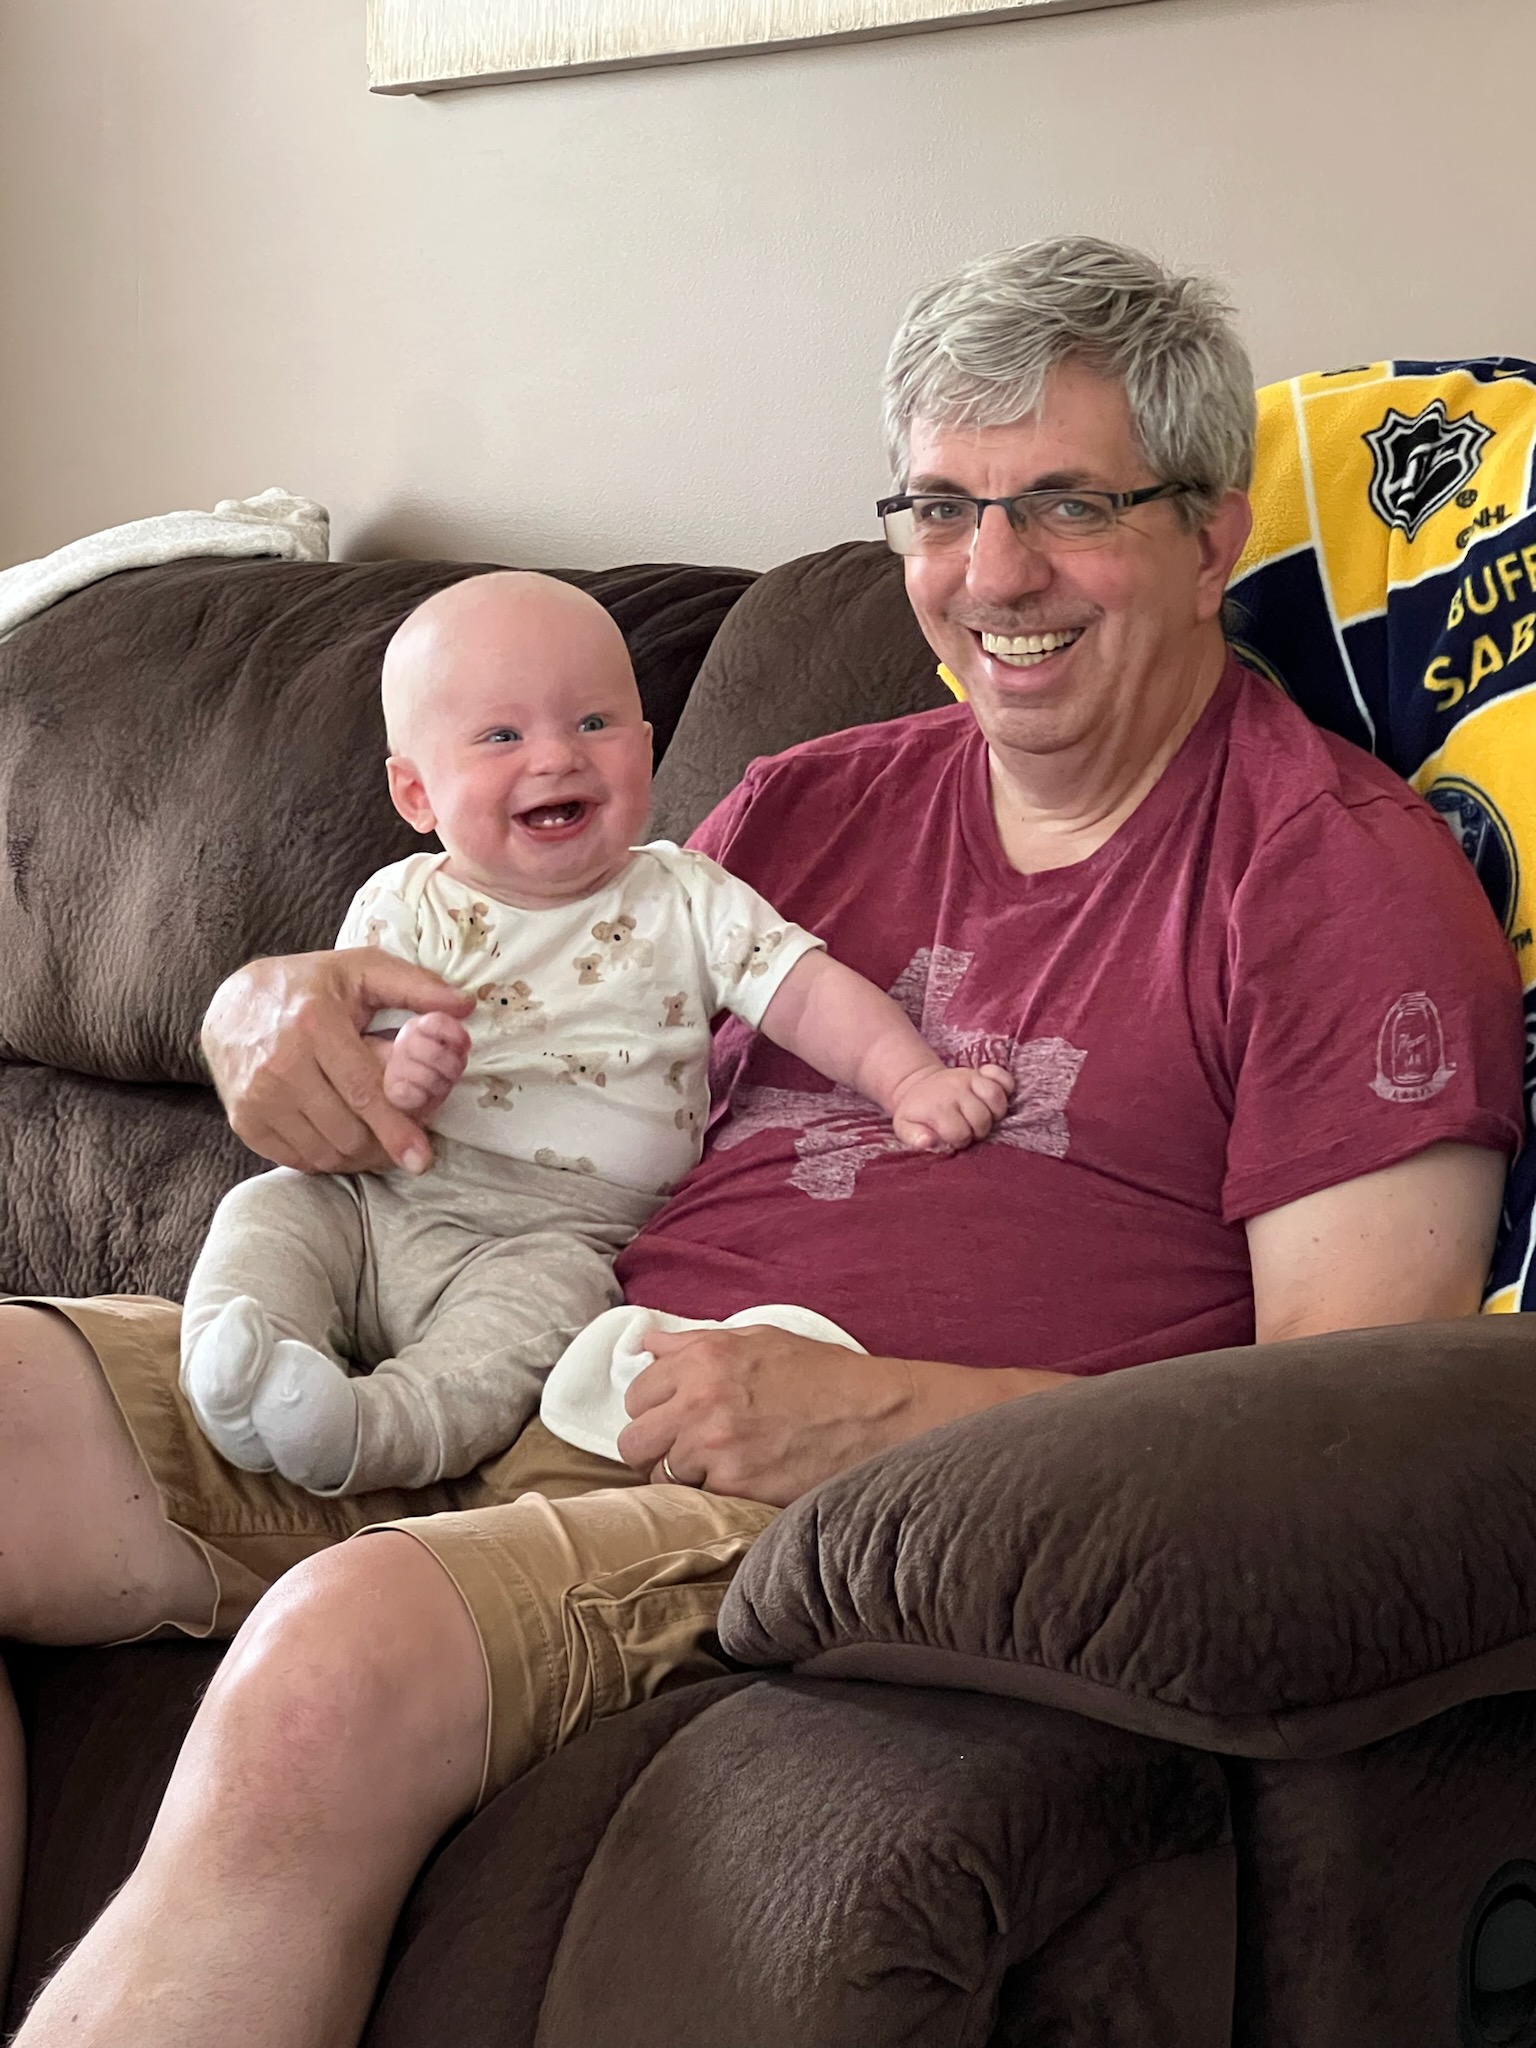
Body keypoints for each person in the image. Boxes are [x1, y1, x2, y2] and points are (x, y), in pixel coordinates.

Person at [2, 235, 1523, 2048]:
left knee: (331, 1667)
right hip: (509, 1334)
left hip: (800, 1489)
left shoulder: (1330, 879)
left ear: (1211, 534)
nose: (994, 574)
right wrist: (267, 1013)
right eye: (942, 508)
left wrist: (877, 1423)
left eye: (1067, 505)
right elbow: (459, 992)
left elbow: (1347, 1443)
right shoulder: (797, 804)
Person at [180, 568, 1009, 1495]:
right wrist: (394, 1073)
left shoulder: (684, 896)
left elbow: (808, 993)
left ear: (646, 749)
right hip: (380, 1202)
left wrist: (911, 1080)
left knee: (542, 1320)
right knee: (267, 1210)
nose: (556, 758)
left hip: (556, 1233)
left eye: (593, 724)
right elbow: (343, 1066)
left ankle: (371, 1429)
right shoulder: (399, 902)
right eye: (502, 735)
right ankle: (243, 1359)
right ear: (416, 793)